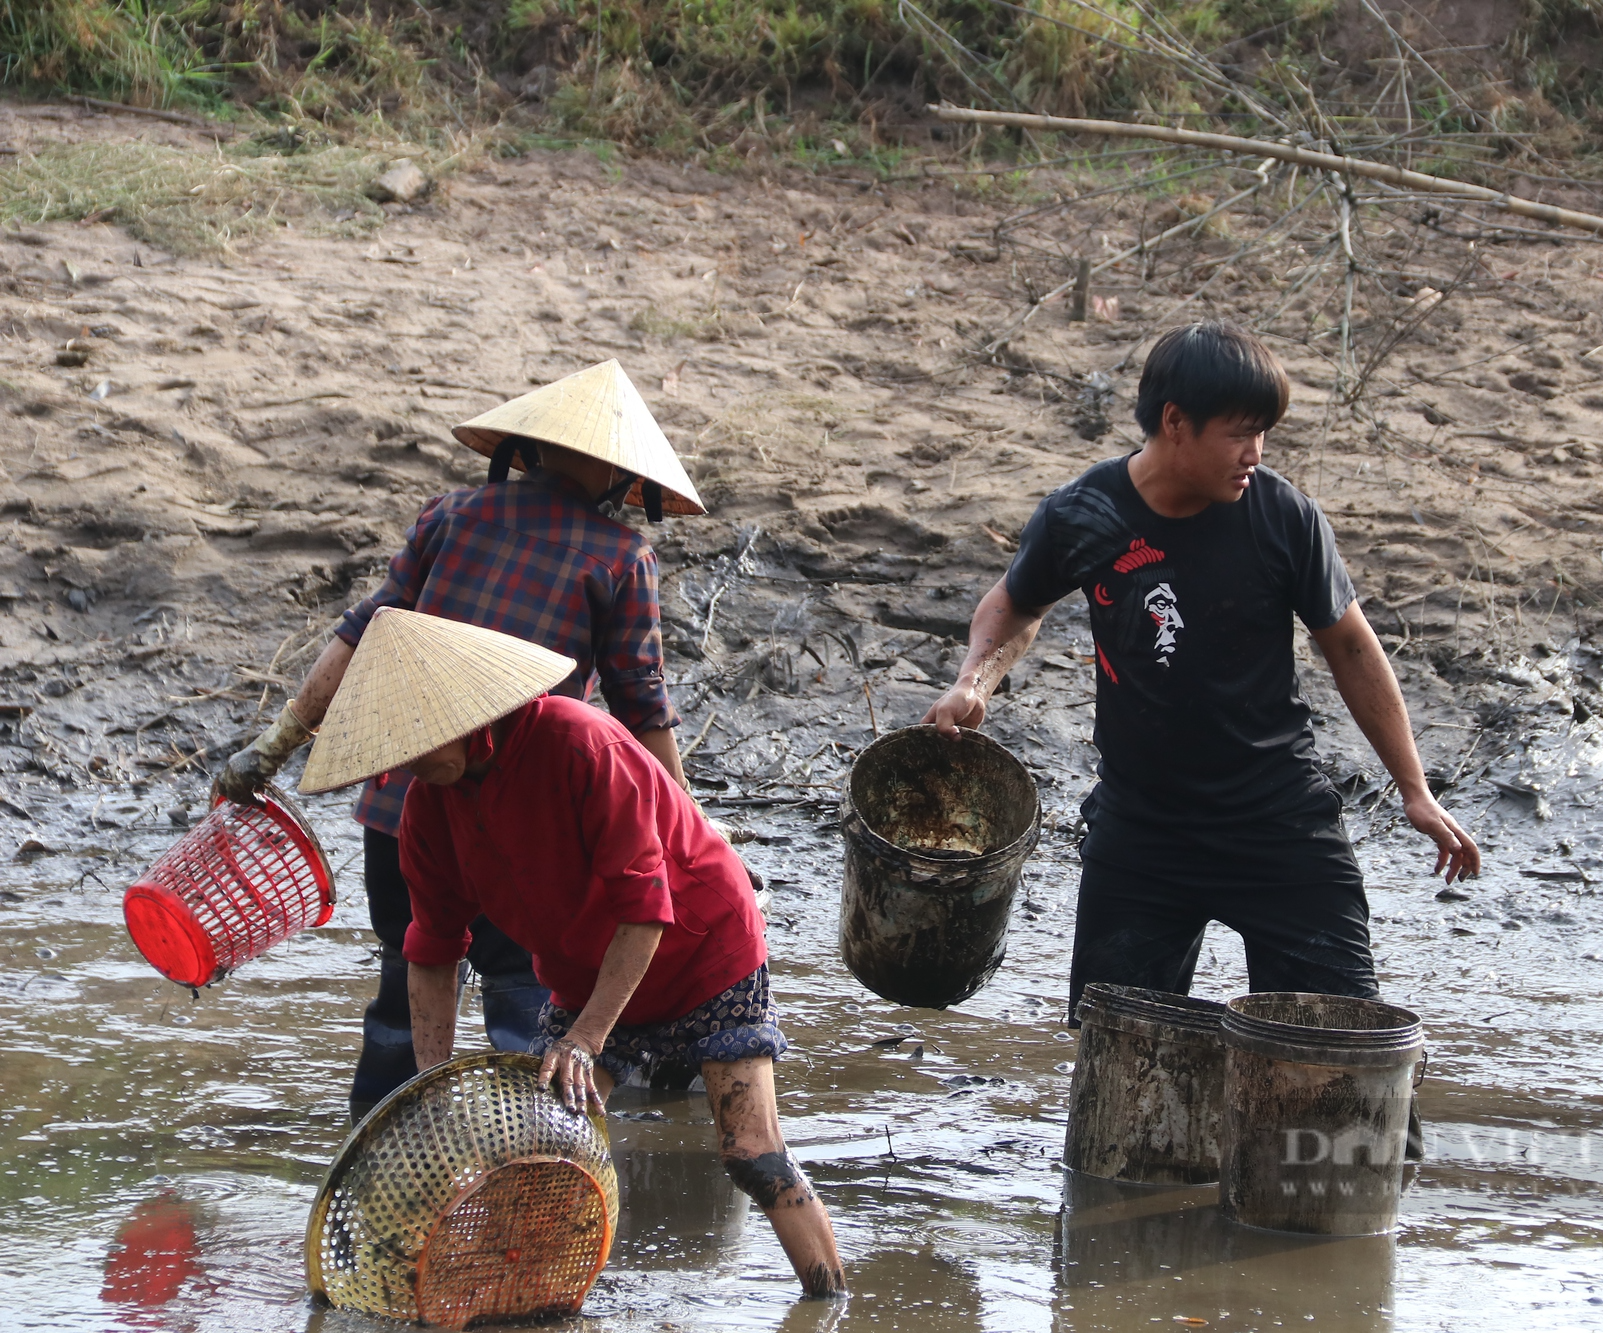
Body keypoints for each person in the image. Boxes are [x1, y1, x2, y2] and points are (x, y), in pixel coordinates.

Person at [923, 321, 1479, 1044]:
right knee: (1115, 1069)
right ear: (1175, 424)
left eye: (1264, 435)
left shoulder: (1282, 516)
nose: (1256, 454)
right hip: (1143, 832)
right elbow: (1015, 604)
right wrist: (976, 681)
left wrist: (1413, 786)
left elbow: (1351, 647)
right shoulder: (1084, 515)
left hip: (1280, 827)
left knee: (1341, 1060)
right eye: (1239, 434)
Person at [296, 608, 846, 1299]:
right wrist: (432, 1083)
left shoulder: (577, 744)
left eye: (417, 742)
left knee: (751, 1153)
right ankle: (528, 1302)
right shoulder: (428, 810)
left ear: (466, 717)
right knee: (540, 1154)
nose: (408, 764)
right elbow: (433, 949)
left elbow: (646, 912)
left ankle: (831, 1304)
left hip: (703, 944)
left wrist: (586, 1038)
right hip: (586, 969)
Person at [215, 359, 706, 1119]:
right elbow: (643, 710)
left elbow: (360, 632)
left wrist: (274, 746)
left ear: (529, 449)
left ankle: (386, 1147)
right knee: (526, 1003)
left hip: (402, 796)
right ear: (617, 473)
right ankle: (530, 1169)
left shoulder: (449, 515)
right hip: (527, 824)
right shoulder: (620, 558)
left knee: (403, 988)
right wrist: (687, 826)